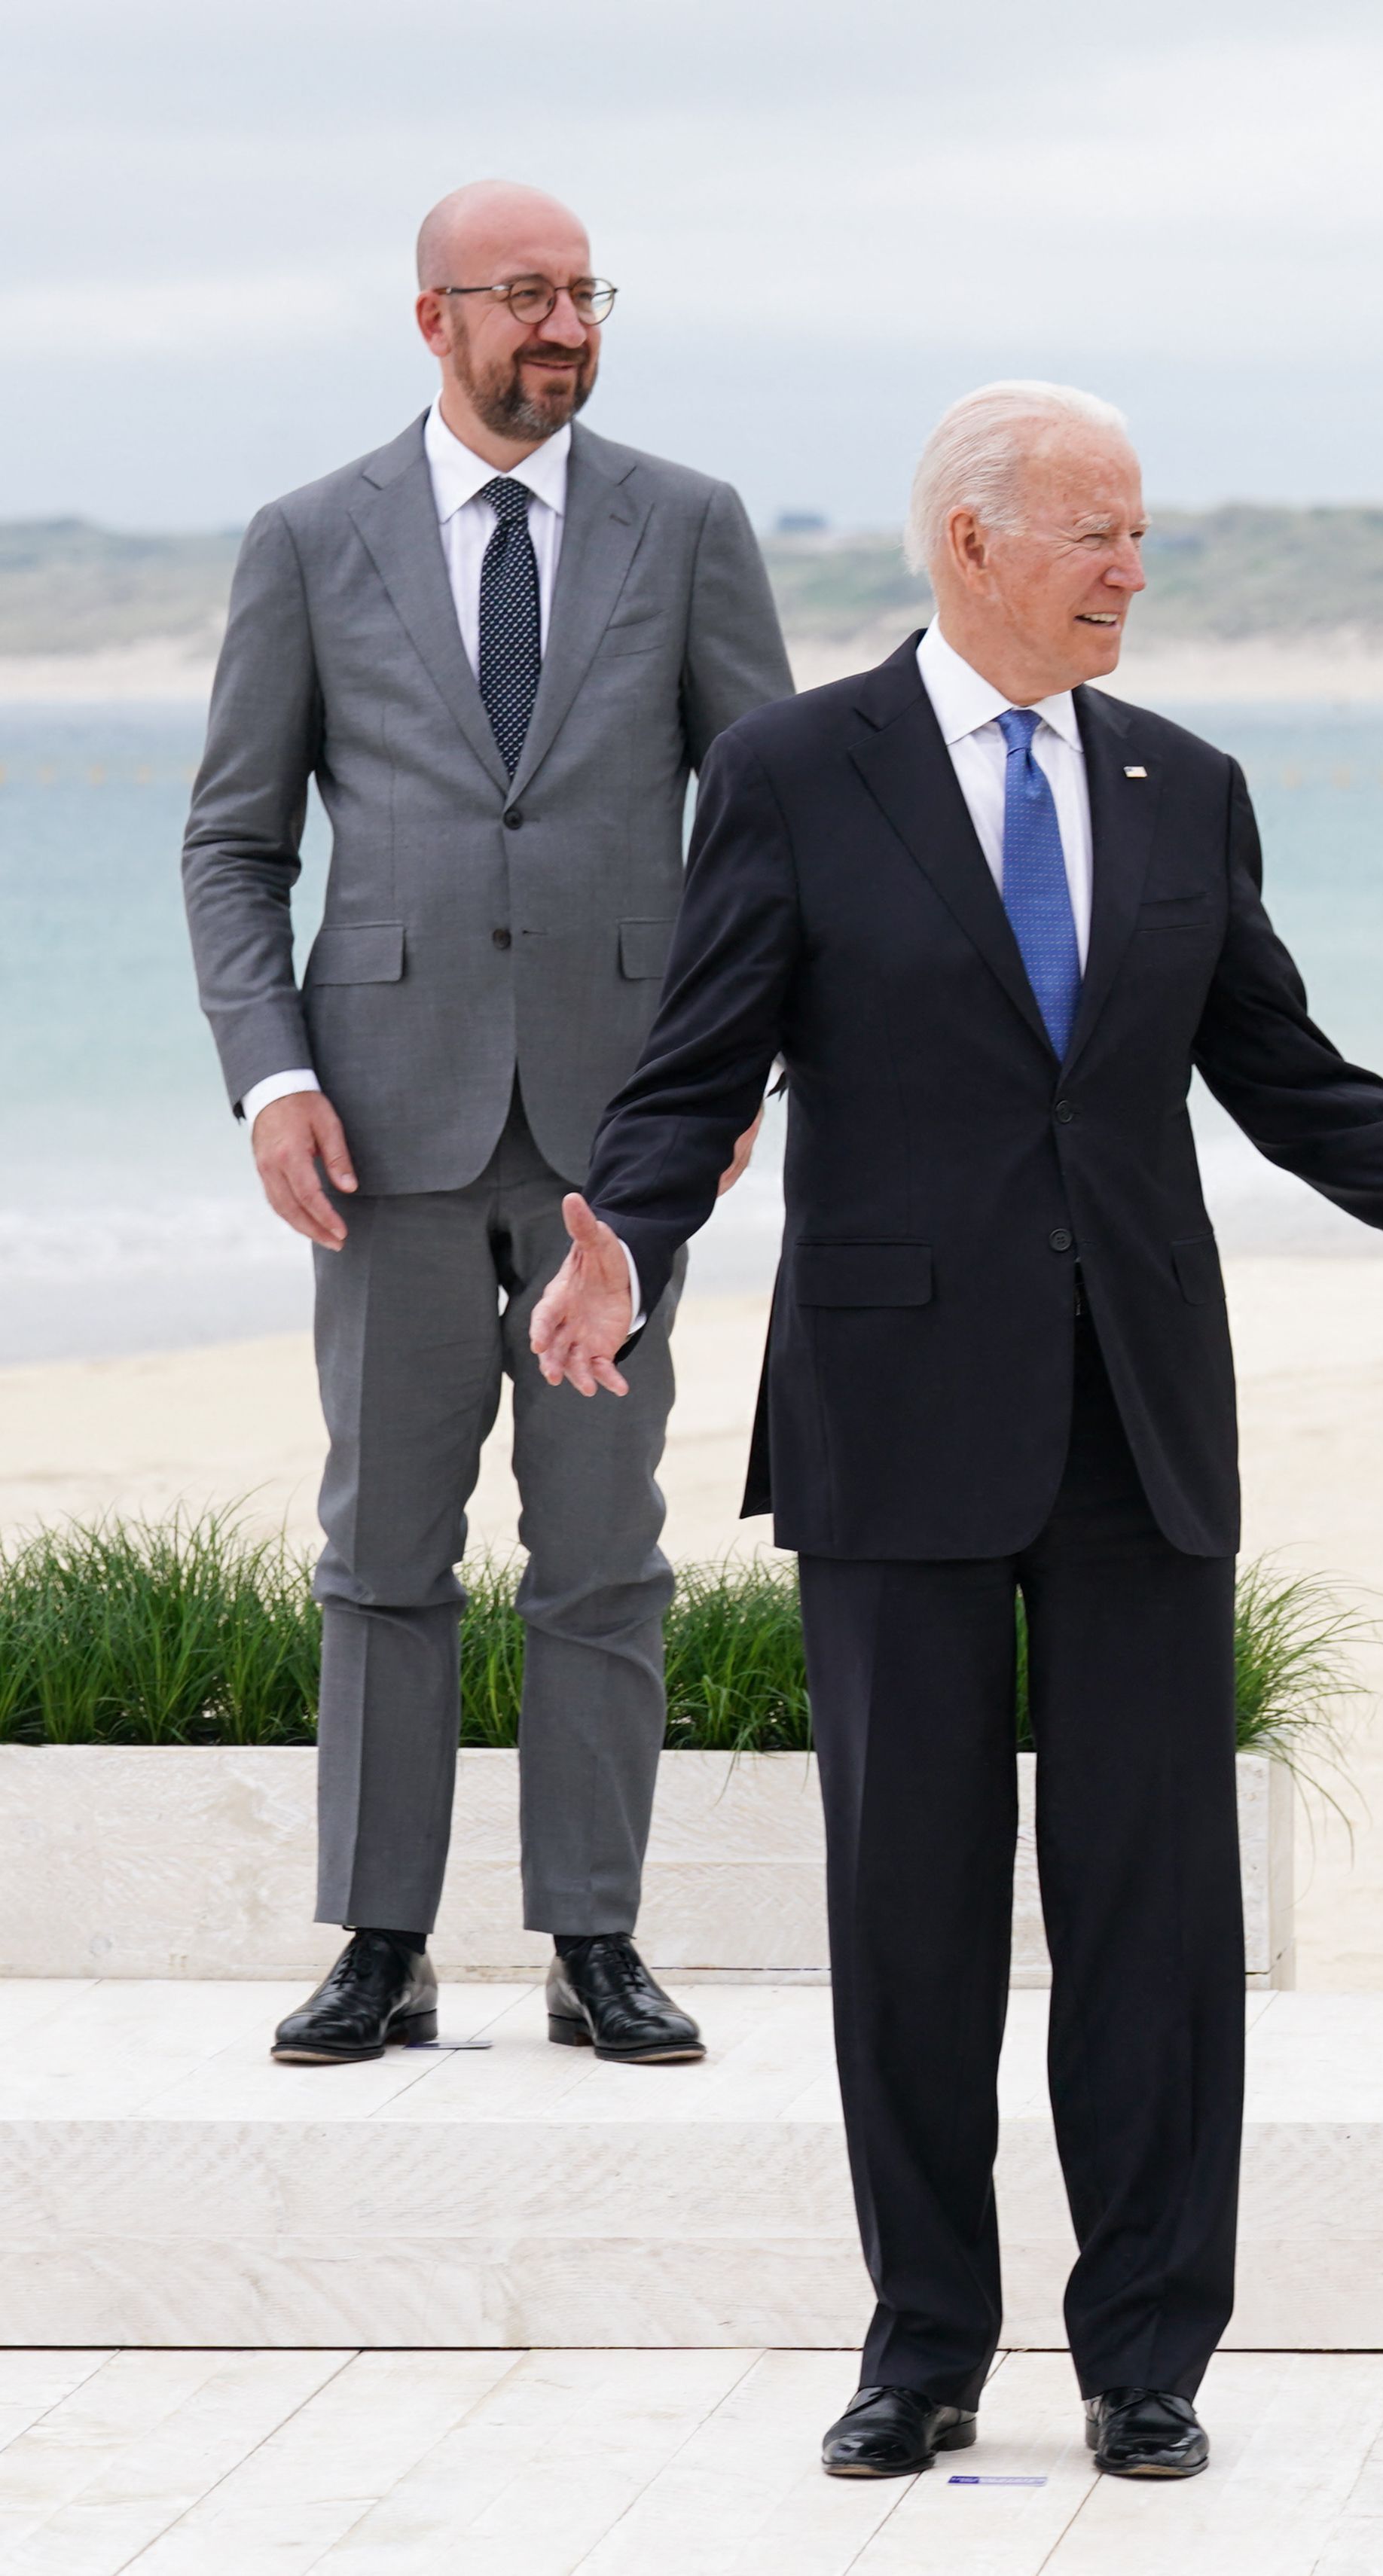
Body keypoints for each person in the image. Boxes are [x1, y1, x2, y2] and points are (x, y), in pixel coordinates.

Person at [522, 383, 1383, 2481]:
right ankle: (922, 2344)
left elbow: (1293, 1077)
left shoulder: (1184, 782)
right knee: (912, 1899)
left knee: (1150, 1906)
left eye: (1140, 532)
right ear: (970, 542)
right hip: (893, 1409)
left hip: (1136, 1411)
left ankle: (1147, 2347)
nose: (1132, 569)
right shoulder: (799, 770)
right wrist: (619, 1226)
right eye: (1097, 532)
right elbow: (696, 1059)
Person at [179, 180, 787, 2069]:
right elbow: (235, 842)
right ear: (431, 316)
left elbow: (760, 829)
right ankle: (381, 1940)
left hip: (621, 1134)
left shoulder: (688, 524)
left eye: (584, 292)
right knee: (384, 1542)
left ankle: (596, 1939)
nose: (565, 325)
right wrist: (273, 1075)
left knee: (604, 1546)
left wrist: (728, 1074)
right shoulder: (308, 539)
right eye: (525, 295)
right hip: (383, 1126)